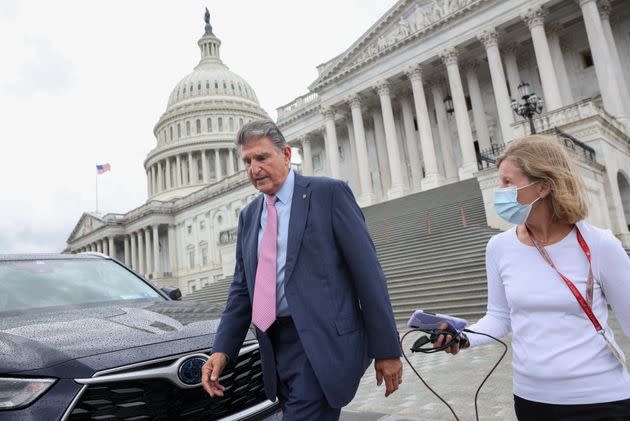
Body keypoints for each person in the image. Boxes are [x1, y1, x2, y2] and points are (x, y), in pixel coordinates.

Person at [201, 119, 402, 420]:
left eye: (261, 157)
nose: (254, 168)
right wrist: (222, 350)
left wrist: (387, 349)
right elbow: (242, 291)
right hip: (273, 345)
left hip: (320, 343)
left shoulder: (329, 195)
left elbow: (368, 276)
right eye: (247, 161)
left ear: (285, 154)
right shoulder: (249, 215)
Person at [435, 135, 630, 420]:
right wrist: (462, 338)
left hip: (601, 400)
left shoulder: (600, 244)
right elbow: (499, 317)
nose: (498, 191)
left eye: (507, 182)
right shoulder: (499, 247)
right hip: (531, 400)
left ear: (543, 186)